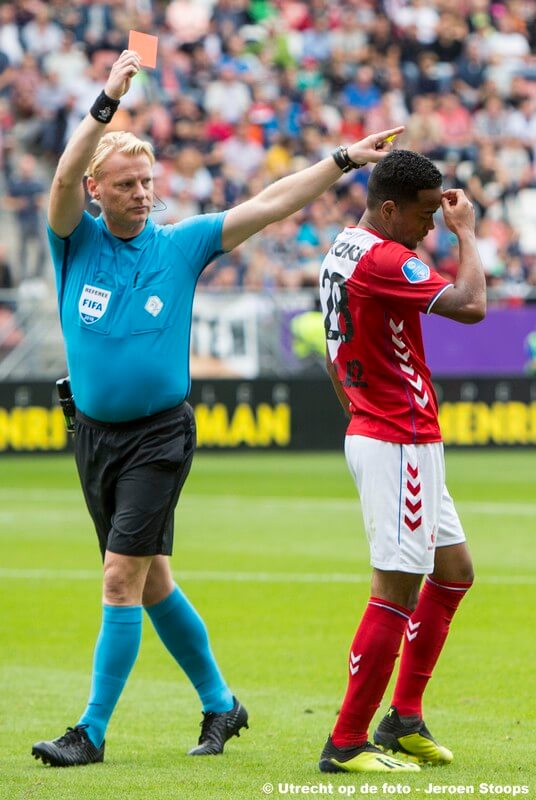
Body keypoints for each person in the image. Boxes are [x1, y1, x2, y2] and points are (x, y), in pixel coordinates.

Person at [30, 49, 403, 768]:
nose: (144, 194)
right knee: (153, 579)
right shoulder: (72, 241)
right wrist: (106, 101)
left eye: (149, 182)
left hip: (160, 436)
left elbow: (269, 203)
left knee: (119, 577)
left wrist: (341, 161)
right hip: (93, 437)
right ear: (96, 190)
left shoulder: (182, 244)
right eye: (128, 185)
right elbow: (59, 176)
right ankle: (222, 705)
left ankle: (92, 731)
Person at [318, 149, 485, 773]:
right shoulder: (388, 258)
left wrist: (357, 411)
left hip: (394, 431)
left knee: (455, 571)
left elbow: (332, 350)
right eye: (422, 215)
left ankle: (403, 718)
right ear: (388, 208)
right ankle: (346, 741)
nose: (430, 227)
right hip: (398, 437)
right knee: (396, 588)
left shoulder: (344, 247)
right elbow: (471, 305)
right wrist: (468, 232)